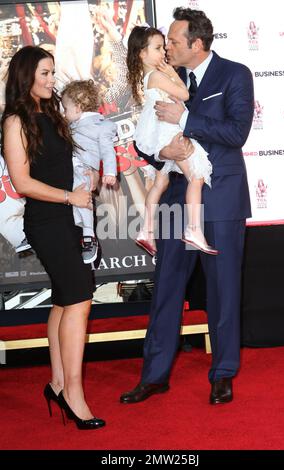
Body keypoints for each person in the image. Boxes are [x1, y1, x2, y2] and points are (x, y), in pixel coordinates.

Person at [120, 7, 254, 405]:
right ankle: (155, 375)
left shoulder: (235, 74)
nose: (168, 48)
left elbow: (237, 132)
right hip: (175, 198)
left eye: (174, 42)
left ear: (196, 44)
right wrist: (162, 148)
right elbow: (146, 138)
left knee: (223, 289)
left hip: (222, 198)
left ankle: (224, 373)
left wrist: (188, 117)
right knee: (166, 289)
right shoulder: (165, 77)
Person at [1, 45, 105, 429]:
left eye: (52, 73)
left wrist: (85, 180)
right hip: (45, 221)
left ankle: (58, 384)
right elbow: (22, 181)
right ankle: (74, 396)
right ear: (26, 77)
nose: (50, 80)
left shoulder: (51, 114)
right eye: (44, 74)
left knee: (65, 301)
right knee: (80, 299)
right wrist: (69, 196)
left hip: (66, 218)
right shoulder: (15, 120)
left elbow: (60, 165)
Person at [127, 26, 217, 256]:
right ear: (142, 54)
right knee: (195, 176)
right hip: (168, 133)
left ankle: (146, 230)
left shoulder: (150, 77)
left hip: (161, 133)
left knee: (160, 183)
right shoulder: (157, 76)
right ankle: (194, 229)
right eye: (157, 48)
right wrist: (172, 72)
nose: (163, 52)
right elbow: (185, 95)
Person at [61, 79, 117, 264]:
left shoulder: (102, 126)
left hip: (84, 170)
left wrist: (110, 172)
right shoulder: (70, 124)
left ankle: (88, 236)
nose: (63, 113)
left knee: (82, 198)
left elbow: (108, 151)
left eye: (65, 109)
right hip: (69, 168)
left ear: (77, 108)